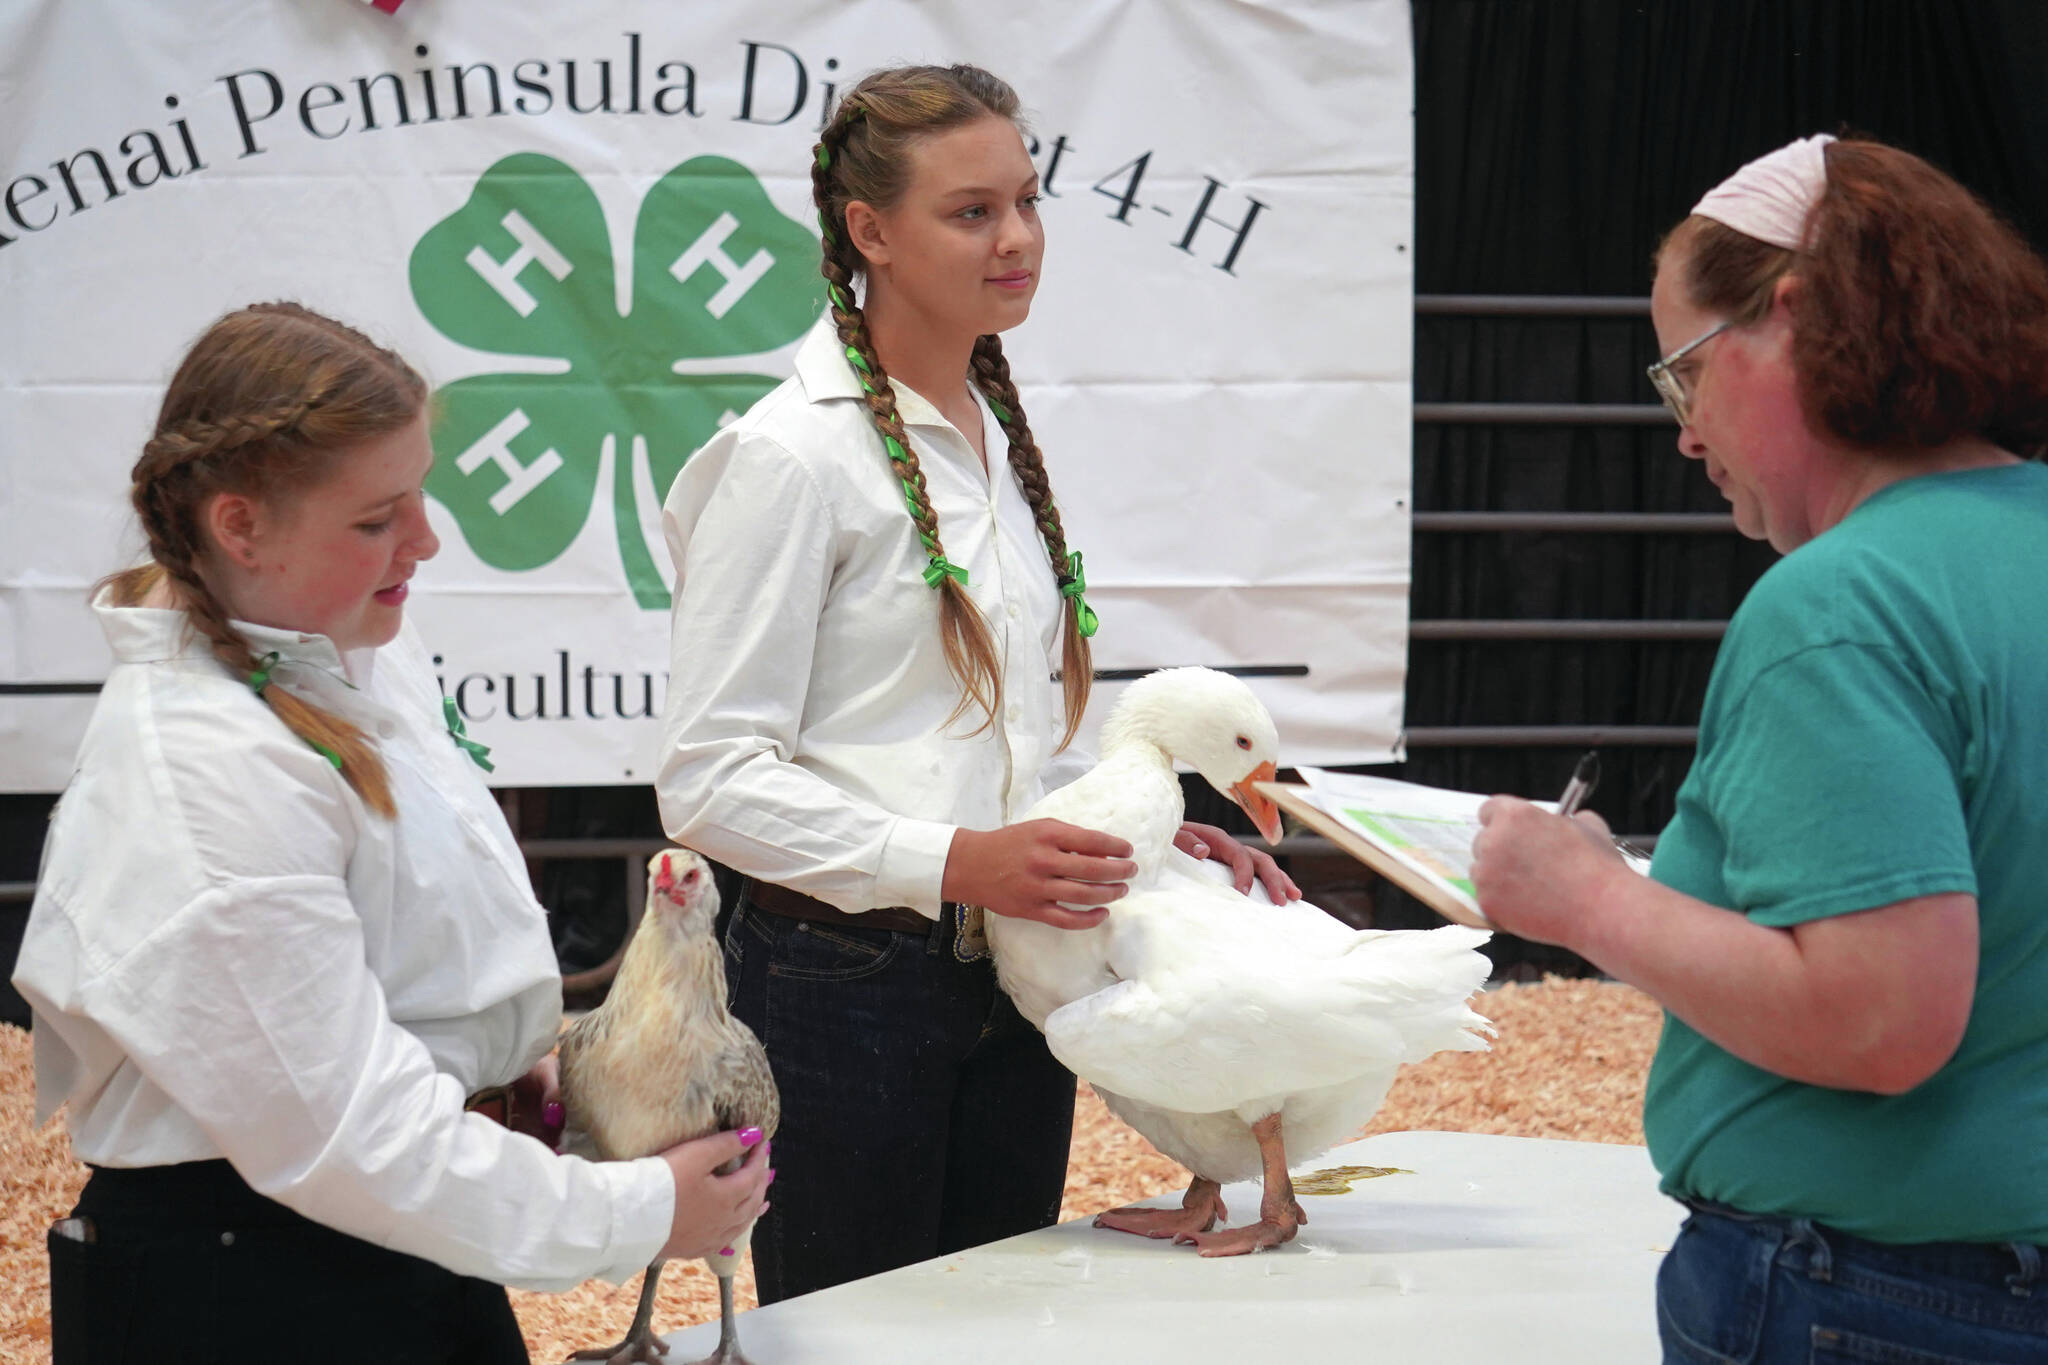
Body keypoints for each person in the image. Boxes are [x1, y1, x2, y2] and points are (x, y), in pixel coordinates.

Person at [14, 303, 772, 1364]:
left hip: (385, 1245)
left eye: (418, 494)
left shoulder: (341, 647)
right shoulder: (203, 775)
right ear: (241, 527)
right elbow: (345, 1138)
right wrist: (639, 1213)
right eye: (376, 519)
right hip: (254, 1287)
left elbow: (390, 951)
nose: (424, 540)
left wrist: (502, 1061)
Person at [655, 64, 1296, 1303]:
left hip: (1016, 974)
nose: (1016, 240)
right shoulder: (787, 459)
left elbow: (980, 755)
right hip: (840, 985)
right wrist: (954, 863)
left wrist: (1157, 846)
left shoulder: (986, 435)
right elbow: (707, 781)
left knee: (991, 1325)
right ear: (869, 233)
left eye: (1027, 201)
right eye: (970, 212)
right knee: (852, 1334)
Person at [1470, 135, 2048, 1362]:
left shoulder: (1847, 599)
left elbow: (1879, 1021)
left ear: (1787, 320)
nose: (1685, 436)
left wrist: (1582, 901)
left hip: (1872, 1293)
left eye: (1684, 375)